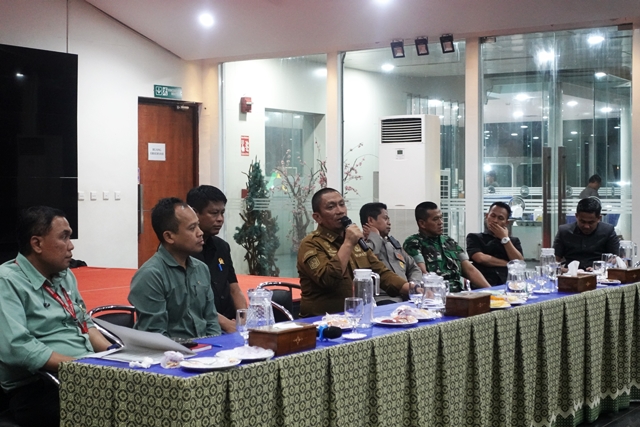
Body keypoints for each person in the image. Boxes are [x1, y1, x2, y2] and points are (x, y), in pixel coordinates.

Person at [0, 206, 111, 427]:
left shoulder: (65, 275)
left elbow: (85, 323)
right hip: (39, 386)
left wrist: (114, 354)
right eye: (64, 237)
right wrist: (81, 367)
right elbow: (17, 347)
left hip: (83, 374)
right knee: (116, 407)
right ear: (37, 244)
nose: (71, 246)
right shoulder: (7, 281)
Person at [297, 188, 411, 317]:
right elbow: (327, 280)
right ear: (317, 217)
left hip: (356, 317)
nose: (340, 211)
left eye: (342, 204)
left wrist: (413, 289)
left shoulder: (356, 240)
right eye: (331, 207)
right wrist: (348, 243)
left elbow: (381, 272)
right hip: (321, 321)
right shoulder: (311, 244)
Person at [129, 197, 221, 338]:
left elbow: (211, 321)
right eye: (192, 228)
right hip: (171, 350)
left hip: (205, 348)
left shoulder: (201, 268)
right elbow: (156, 337)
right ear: (169, 237)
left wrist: (215, 347)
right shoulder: (150, 275)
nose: (200, 232)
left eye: (198, 225)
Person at [186, 185, 247, 333]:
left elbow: (234, 289)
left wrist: (244, 318)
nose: (220, 219)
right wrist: (227, 324)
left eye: (222, 213)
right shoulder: (183, 251)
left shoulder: (222, 247)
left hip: (230, 323)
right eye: (214, 213)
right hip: (203, 328)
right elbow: (191, 302)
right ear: (194, 213)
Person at [403, 202, 491, 292]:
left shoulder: (449, 241)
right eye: (435, 219)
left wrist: (491, 290)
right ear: (422, 223)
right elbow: (423, 274)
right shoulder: (414, 243)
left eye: (441, 217)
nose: (441, 222)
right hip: (437, 293)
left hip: (460, 292)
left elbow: (470, 269)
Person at [359, 202, 422, 303]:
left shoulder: (392, 245)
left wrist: (412, 286)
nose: (389, 223)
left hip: (407, 298)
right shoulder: (361, 246)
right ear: (370, 220)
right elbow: (369, 261)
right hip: (382, 300)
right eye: (385, 218)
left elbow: (414, 268)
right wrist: (375, 236)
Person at [466, 202, 524, 285]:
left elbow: (518, 263)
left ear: (506, 223)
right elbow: (481, 258)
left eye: (500, 218)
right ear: (487, 216)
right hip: (482, 284)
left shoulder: (514, 241)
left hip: (508, 284)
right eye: (492, 216)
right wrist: (509, 264)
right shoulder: (474, 237)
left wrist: (505, 239)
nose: (495, 221)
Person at [553, 197, 620, 270]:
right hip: (571, 274)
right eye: (582, 222)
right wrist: (564, 270)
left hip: (598, 273)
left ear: (599, 218)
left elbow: (618, 259)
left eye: (591, 222)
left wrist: (600, 268)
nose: (586, 226)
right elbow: (554, 260)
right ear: (576, 216)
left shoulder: (608, 231)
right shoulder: (564, 231)